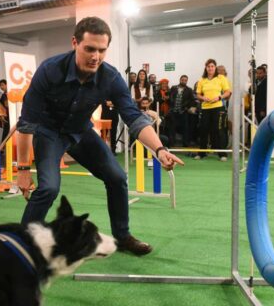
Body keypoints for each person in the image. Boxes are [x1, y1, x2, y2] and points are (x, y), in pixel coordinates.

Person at [16, 17, 182, 256]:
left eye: (102, 50)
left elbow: (134, 118)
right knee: (49, 188)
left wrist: (159, 150)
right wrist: (22, 170)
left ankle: (122, 237)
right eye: (90, 49)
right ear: (75, 43)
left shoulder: (111, 78)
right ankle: (21, 243)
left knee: (116, 177)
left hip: (81, 131)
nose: (96, 56)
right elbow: (27, 123)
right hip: (49, 131)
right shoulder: (49, 70)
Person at [195, 59, 231, 161]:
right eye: (208, 66)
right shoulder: (202, 80)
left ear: (215, 68)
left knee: (219, 131)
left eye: (212, 66)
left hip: (218, 108)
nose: (210, 68)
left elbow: (228, 92)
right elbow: (198, 94)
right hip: (205, 108)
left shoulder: (221, 78)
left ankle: (222, 154)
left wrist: (219, 97)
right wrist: (203, 98)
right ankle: (202, 153)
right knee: (203, 130)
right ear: (205, 68)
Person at [166, 75, 195, 147]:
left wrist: (187, 108)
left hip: (183, 112)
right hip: (173, 111)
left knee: (185, 129)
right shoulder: (173, 88)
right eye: (183, 80)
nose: (184, 81)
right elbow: (169, 97)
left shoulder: (189, 90)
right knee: (171, 129)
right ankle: (171, 144)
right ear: (180, 80)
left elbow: (192, 101)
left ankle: (185, 144)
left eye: (185, 80)